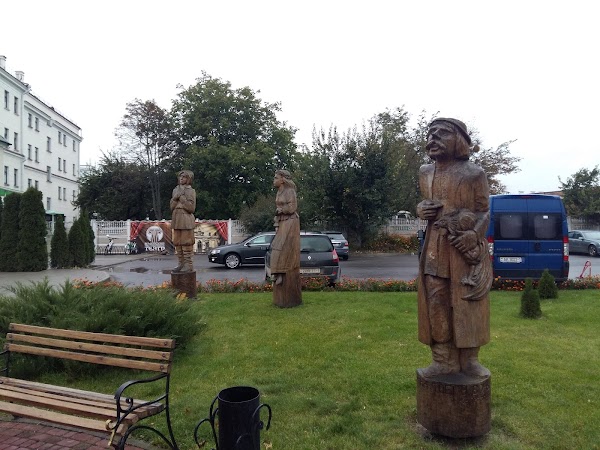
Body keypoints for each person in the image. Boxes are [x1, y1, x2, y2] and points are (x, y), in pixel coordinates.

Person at [416, 118, 493, 379]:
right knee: (436, 301)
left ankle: (470, 359)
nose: (433, 138)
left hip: (462, 250)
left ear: (459, 140)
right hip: (435, 248)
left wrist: (473, 234)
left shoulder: (474, 174)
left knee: (467, 302)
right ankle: (443, 359)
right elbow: (426, 204)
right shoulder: (425, 172)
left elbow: (484, 211)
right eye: (431, 133)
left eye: (442, 133)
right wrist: (421, 209)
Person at [269, 169, 300, 285]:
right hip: (282, 221)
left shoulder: (290, 191)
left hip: (290, 221)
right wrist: (276, 222)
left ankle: (282, 273)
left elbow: (292, 207)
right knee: (276, 247)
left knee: (284, 247)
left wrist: (281, 210)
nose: (274, 180)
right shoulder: (279, 192)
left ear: (282, 179)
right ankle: (277, 272)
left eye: (276, 178)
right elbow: (278, 210)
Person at [170, 170, 197, 272]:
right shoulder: (175, 190)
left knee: (186, 242)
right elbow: (171, 207)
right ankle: (181, 263)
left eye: (184, 177)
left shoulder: (191, 191)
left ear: (188, 179)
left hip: (186, 218)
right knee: (177, 243)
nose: (181, 178)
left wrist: (182, 198)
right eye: (180, 177)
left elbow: (191, 208)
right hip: (176, 217)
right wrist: (175, 197)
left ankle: (188, 265)